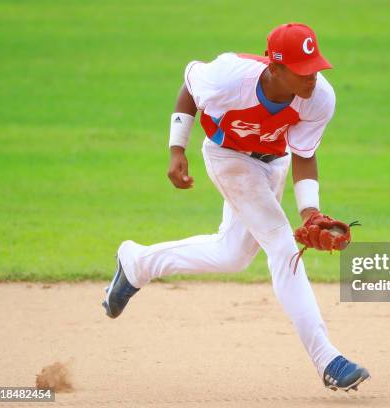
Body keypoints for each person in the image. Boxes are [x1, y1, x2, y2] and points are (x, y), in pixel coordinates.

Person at [102, 22, 369, 392]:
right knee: (281, 244)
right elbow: (189, 87)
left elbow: (305, 155)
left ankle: (137, 263)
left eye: (316, 67)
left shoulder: (319, 97)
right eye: (303, 70)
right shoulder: (228, 77)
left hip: (273, 164)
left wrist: (310, 213)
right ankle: (327, 359)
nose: (313, 78)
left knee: (232, 255)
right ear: (275, 68)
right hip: (228, 158)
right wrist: (177, 149)